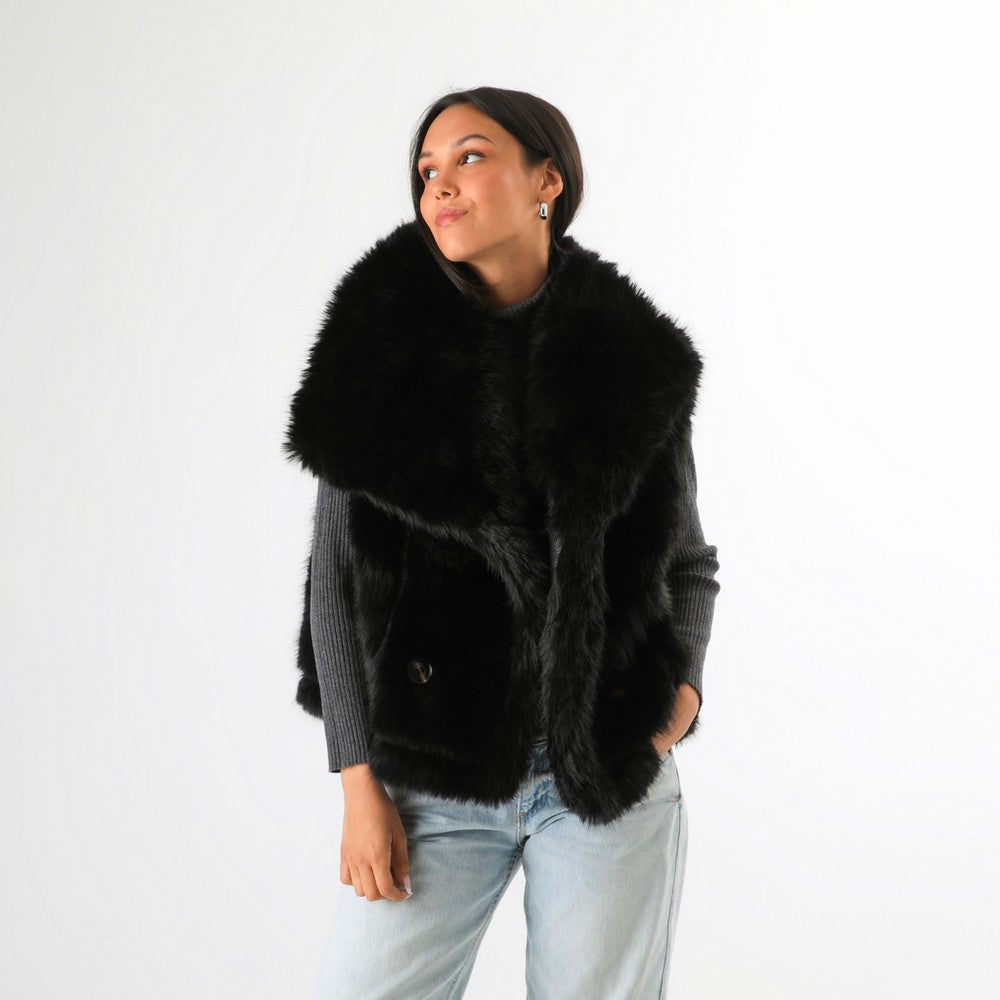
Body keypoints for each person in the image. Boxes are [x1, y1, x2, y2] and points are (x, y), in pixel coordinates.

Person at [283, 86, 721, 1000]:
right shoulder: (377, 351)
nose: (440, 185)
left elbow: (688, 563)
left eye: (470, 157)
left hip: (605, 769)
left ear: (547, 181)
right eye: (427, 170)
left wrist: (676, 703)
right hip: (428, 773)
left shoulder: (632, 361)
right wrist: (358, 784)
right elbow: (333, 585)